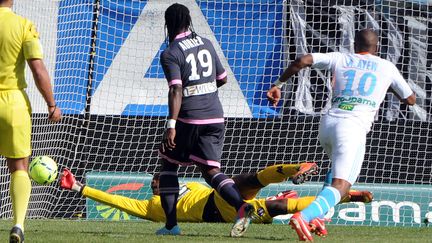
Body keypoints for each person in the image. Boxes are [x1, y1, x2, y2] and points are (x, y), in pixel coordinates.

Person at [267, 29, 416, 241]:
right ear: (378, 48)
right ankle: (305, 215)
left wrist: (278, 85)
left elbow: (303, 60)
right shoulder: (386, 67)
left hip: (328, 124)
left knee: (335, 175)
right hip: (352, 128)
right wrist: (385, 86)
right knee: (342, 185)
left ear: (355, 46)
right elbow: (410, 99)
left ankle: (316, 216)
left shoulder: (341, 58)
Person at [157, 3, 254, 237]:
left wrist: (171, 125)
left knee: (168, 165)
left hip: (189, 118)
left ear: (168, 23)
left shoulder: (171, 52)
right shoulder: (207, 43)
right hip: (215, 116)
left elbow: (176, 90)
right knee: (211, 171)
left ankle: (171, 226)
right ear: (189, 21)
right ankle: (242, 206)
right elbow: (222, 79)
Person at [60, 162, 373, 230]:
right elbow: (117, 200)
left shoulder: (189, 186)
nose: (162, 183)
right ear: (156, 188)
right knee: (243, 182)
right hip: (217, 207)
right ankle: (296, 172)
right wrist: (79, 188)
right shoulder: (154, 207)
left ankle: (341, 196)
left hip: (227, 203)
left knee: (275, 205)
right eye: (159, 182)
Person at [0, 0, 62, 242]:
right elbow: (38, 70)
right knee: (19, 167)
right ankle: (18, 225)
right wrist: (51, 104)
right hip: (13, 102)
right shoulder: (23, 25)